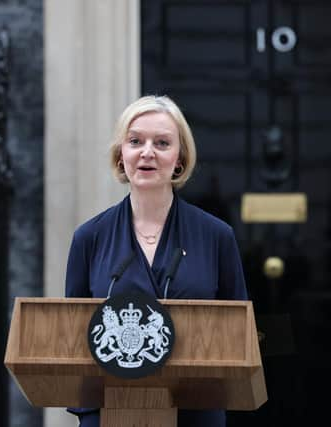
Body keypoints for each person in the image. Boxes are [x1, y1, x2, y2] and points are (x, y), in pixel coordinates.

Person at [64, 95, 248, 427]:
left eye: (162, 143)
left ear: (179, 159)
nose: (147, 152)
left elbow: (240, 333)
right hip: (109, 413)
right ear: (122, 155)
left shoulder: (216, 236)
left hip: (195, 413)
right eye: (135, 141)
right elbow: (74, 339)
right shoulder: (89, 238)